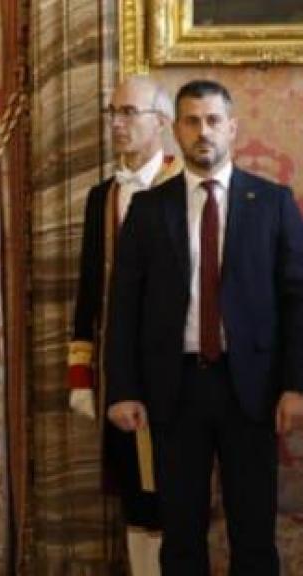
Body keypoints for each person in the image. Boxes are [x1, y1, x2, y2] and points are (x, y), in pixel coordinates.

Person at [106, 79, 303, 575]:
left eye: (213, 120)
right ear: (175, 129)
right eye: (192, 121)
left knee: (255, 535)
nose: (203, 132)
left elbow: (297, 301)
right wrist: (122, 390)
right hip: (176, 390)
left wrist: (295, 386)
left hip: (252, 392)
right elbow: (124, 305)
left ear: (232, 127)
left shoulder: (275, 202)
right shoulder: (150, 209)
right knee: (182, 536)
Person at [67, 75, 181, 576]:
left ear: (161, 122)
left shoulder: (186, 189)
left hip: (180, 371)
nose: (116, 123)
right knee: (134, 492)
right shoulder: (102, 197)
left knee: (177, 493)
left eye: (129, 112)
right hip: (121, 372)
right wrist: (81, 373)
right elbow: (89, 291)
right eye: (112, 112)